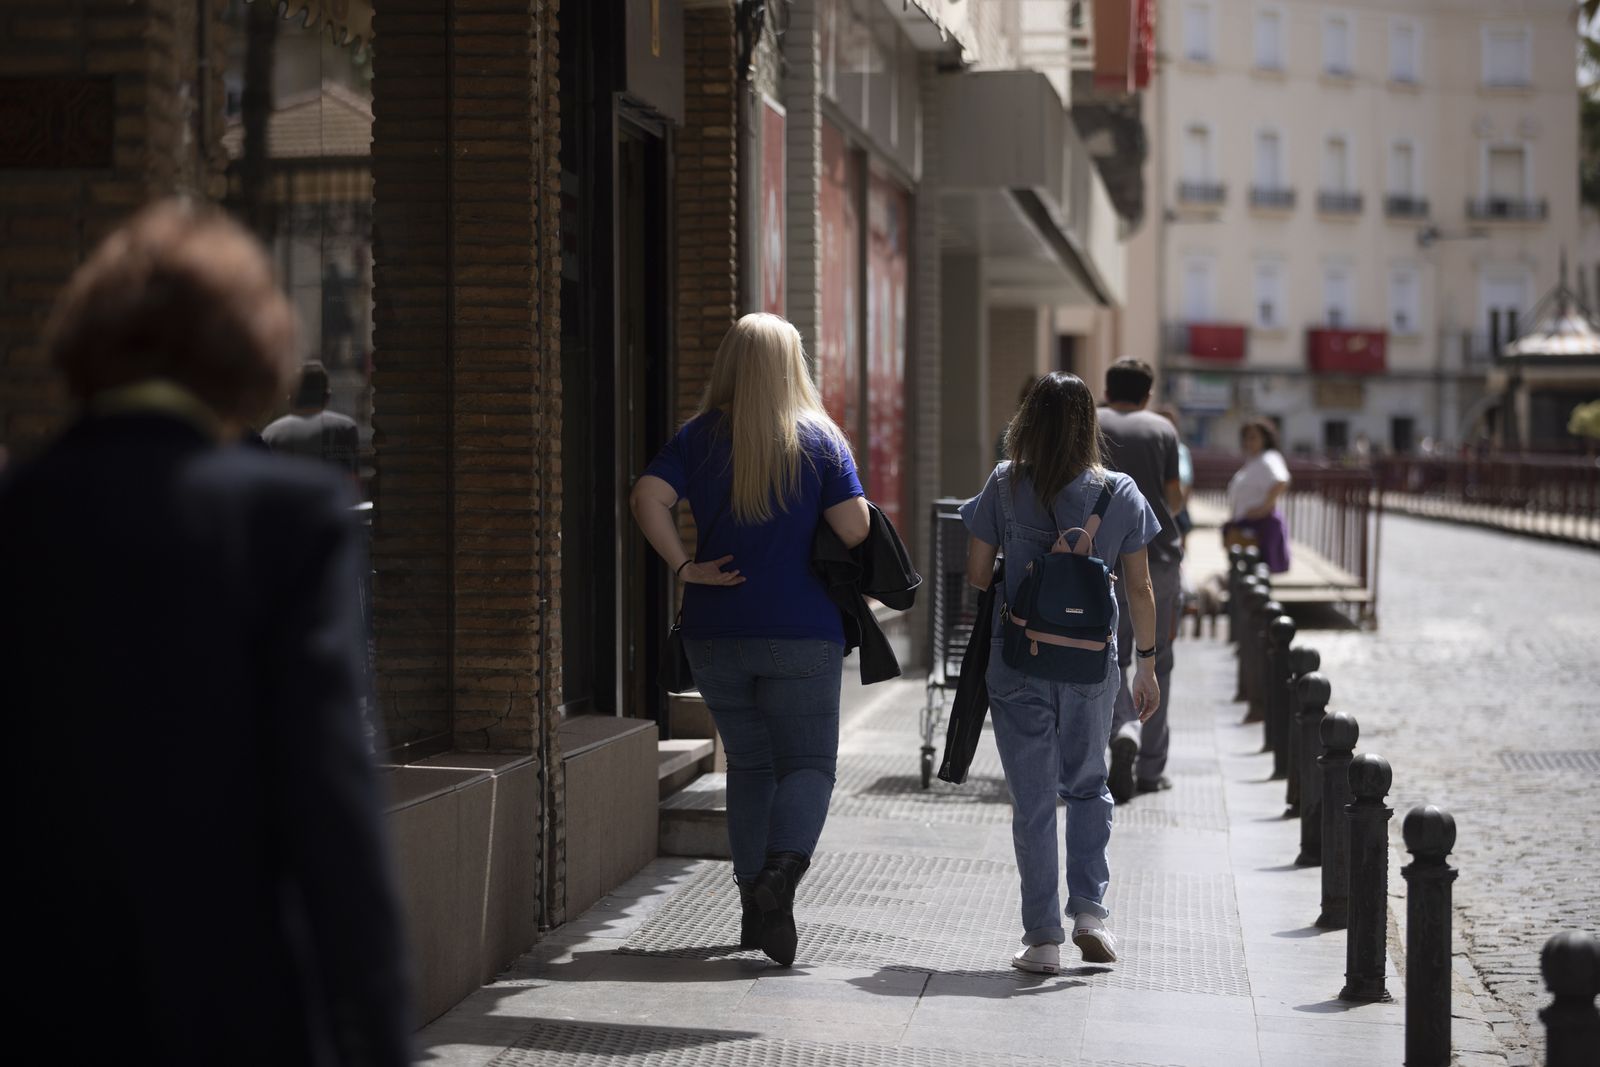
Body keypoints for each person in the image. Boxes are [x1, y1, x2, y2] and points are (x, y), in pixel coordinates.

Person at [0, 201, 412, 1066]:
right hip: (231, 1002)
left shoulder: (22, 513)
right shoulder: (284, 520)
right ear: (244, 348)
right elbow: (330, 803)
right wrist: (373, 1029)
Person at [630, 312, 870, 968]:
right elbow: (854, 529)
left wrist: (685, 565)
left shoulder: (698, 435)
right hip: (801, 631)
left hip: (714, 630)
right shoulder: (819, 438)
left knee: (750, 765)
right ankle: (778, 880)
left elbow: (647, 495)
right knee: (809, 766)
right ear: (793, 366)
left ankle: (751, 907)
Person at [960, 372, 1162, 973]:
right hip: (1090, 665)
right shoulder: (1120, 492)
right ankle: (1091, 914)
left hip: (1018, 660)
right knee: (1088, 783)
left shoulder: (1004, 482)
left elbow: (977, 576)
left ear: (1028, 421)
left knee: (1033, 798)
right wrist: (1146, 666)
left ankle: (1043, 939)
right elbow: (1141, 588)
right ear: (1088, 425)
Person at [1097, 360, 1185, 802]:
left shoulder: (1091, 422)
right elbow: (1174, 497)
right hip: (1158, 558)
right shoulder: (1162, 430)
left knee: (1106, 657)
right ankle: (1150, 767)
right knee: (1158, 660)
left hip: (1100, 560)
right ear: (1148, 394)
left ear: (1107, 388)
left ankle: (1119, 732)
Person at [262, 360, 360, 476]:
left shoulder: (271, 433)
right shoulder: (345, 428)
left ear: (291, 399)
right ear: (327, 397)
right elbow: (352, 478)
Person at [1223, 418, 1292, 573]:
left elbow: (1281, 481)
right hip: (1246, 525)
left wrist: (1263, 509)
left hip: (1259, 527)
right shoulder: (1254, 460)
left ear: (1265, 439)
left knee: (1257, 573)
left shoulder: (1269, 458)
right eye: (1246, 437)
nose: (1248, 442)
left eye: (1253, 437)